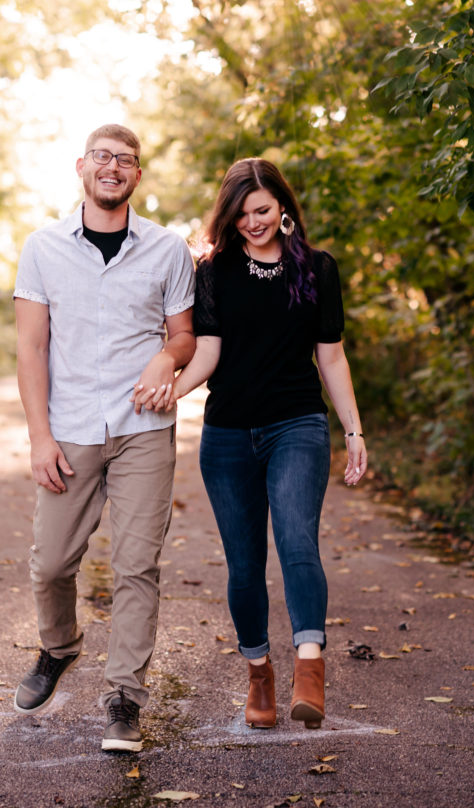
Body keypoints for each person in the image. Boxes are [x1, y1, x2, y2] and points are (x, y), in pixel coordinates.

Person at [163, 157, 367, 730]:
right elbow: (207, 353)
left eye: (262, 210)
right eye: (242, 213)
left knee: (298, 540)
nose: (253, 222)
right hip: (227, 434)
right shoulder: (214, 272)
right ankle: (259, 673)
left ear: (283, 209)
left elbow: (331, 356)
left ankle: (309, 667)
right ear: (228, 216)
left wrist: (352, 430)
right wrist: (170, 392)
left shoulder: (317, 270)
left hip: (296, 424)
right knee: (245, 566)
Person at [12, 124, 195, 752]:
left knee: (136, 565)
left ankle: (124, 697)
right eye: (102, 157)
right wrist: (40, 437)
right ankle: (59, 648)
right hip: (71, 428)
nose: (112, 167)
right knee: (52, 563)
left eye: (125, 160)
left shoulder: (168, 249)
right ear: (82, 167)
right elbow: (32, 348)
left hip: (143, 428)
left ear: (138, 175)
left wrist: (165, 360)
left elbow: (184, 337)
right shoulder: (41, 247)